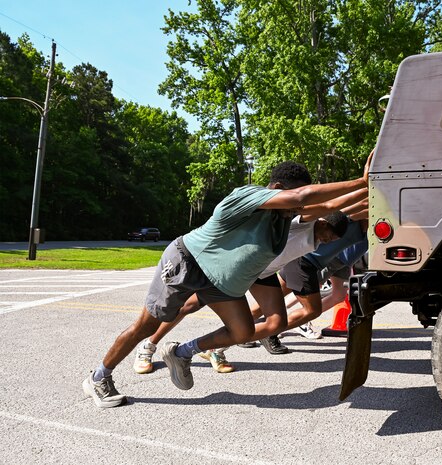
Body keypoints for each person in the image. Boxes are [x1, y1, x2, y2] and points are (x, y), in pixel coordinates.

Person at [83, 156, 370, 408]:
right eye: (294, 197)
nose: (298, 208)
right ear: (278, 188)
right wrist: (360, 179)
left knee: (243, 330)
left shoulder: (284, 219)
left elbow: (330, 205)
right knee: (143, 327)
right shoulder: (247, 195)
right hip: (188, 261)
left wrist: (369, 189)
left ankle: (183, 352)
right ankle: (99, 376)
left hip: (219, 280)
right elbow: (302, 198)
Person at [130, 188, 364, 374]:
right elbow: (335, 204)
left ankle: (209, 348)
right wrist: (366, 183)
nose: (327, 242)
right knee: (188, 305)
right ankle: (149, 345)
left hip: (262, 273)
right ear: (322, 223)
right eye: (328, 237)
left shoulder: (322, 234)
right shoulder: (304, 221)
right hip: (241, 268)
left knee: (275, 323)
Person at [248, 218, 368, 354]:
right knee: (303, 306)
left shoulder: (371, 225)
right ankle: (260, 330)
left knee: (335, 297)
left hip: (337, 262)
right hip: (310, 260)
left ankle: (256, 328)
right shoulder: (355, 216)